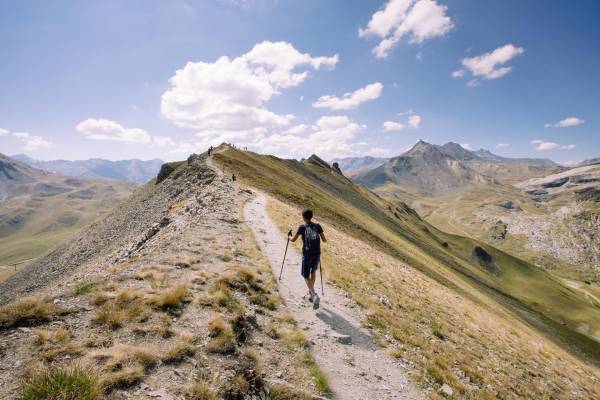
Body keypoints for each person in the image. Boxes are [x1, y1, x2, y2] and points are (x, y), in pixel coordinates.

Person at [290, 209, 326, 308]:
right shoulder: (317, 226)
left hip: (307, 254)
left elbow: (293, 240)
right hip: (317, 253)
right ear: (311, 216)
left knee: (305, 275)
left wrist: (289, 237)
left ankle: (314, 294)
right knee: (313, 272)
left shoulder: (302, 227)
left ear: (303, 217)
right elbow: (324, 240)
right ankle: (311, 293)